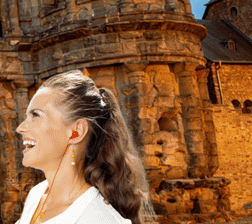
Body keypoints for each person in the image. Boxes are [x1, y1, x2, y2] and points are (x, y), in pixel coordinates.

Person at [15, 70, 152, 224]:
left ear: (76, 132)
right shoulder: (38, 194)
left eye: (36, 115)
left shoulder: (100, 220)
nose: (20, 127)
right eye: (27, 116)